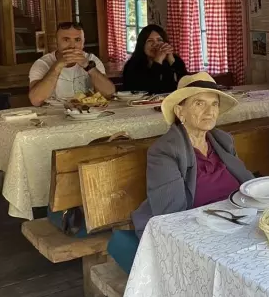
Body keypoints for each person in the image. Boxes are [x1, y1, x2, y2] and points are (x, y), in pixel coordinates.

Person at [108, 72, 254, 273]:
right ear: (180, 111)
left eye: (214, 104)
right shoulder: (165, 151)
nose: (210, 111)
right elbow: (172, 215)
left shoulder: (222, 141)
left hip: (235, 224)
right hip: (197, 235)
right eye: (199, 103)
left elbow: (247, 186)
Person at [28, 22, 115, 106]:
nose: (72, 46)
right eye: (66, 40)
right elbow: (36, 101)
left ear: (83, 42)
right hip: (53, 112)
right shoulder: (42, 64)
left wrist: (89, 67)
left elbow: (109, 94)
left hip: (86, 111)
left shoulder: (91, 59)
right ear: (56, 42)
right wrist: (57, 67)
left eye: (77, 40)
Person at [121, 24, 187, 94]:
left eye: (159, 40)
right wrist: (157, 61)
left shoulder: (175, 60)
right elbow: (149, 90)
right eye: (150, 41)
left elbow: (186, 86)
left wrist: (172, 61)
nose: (155, 44)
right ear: (142, 45)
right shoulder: (132, 65)